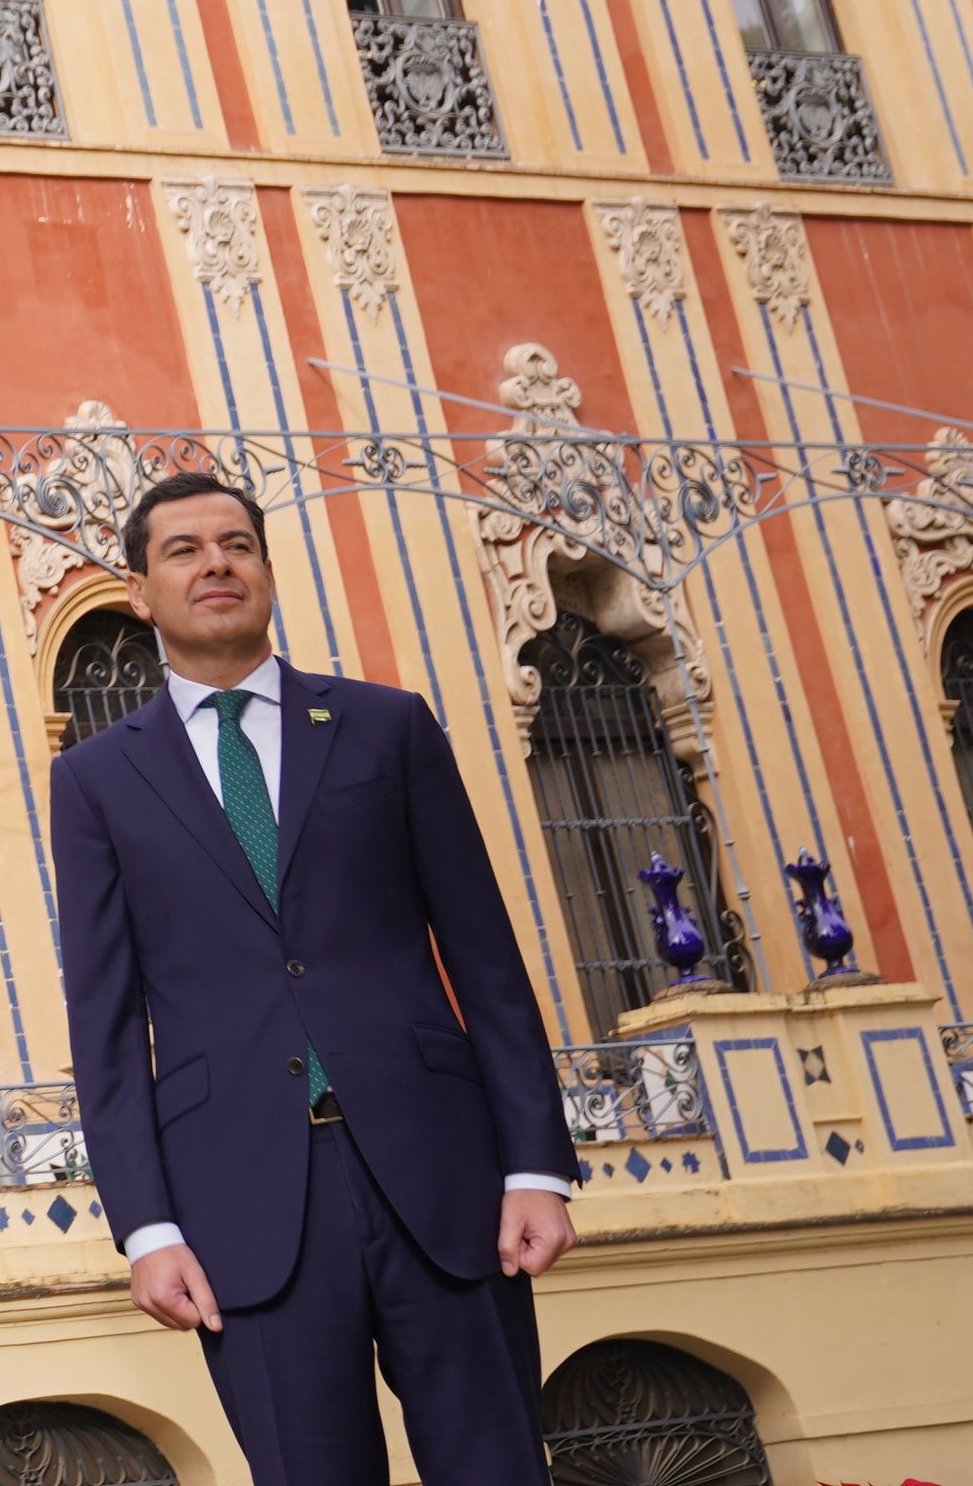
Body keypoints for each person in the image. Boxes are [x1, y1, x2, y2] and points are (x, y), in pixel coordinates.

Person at [49, 469, 581, 1486]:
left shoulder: (388, 726)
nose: (217, 563)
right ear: (140, 591)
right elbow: (106, 1021)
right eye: (185, 549)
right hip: (241, 1203)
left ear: (267, 568)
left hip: (443, 1176)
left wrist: (536, 1166)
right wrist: (147, 1228)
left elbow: (486, 957)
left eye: (238, 543)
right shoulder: (97, 779)